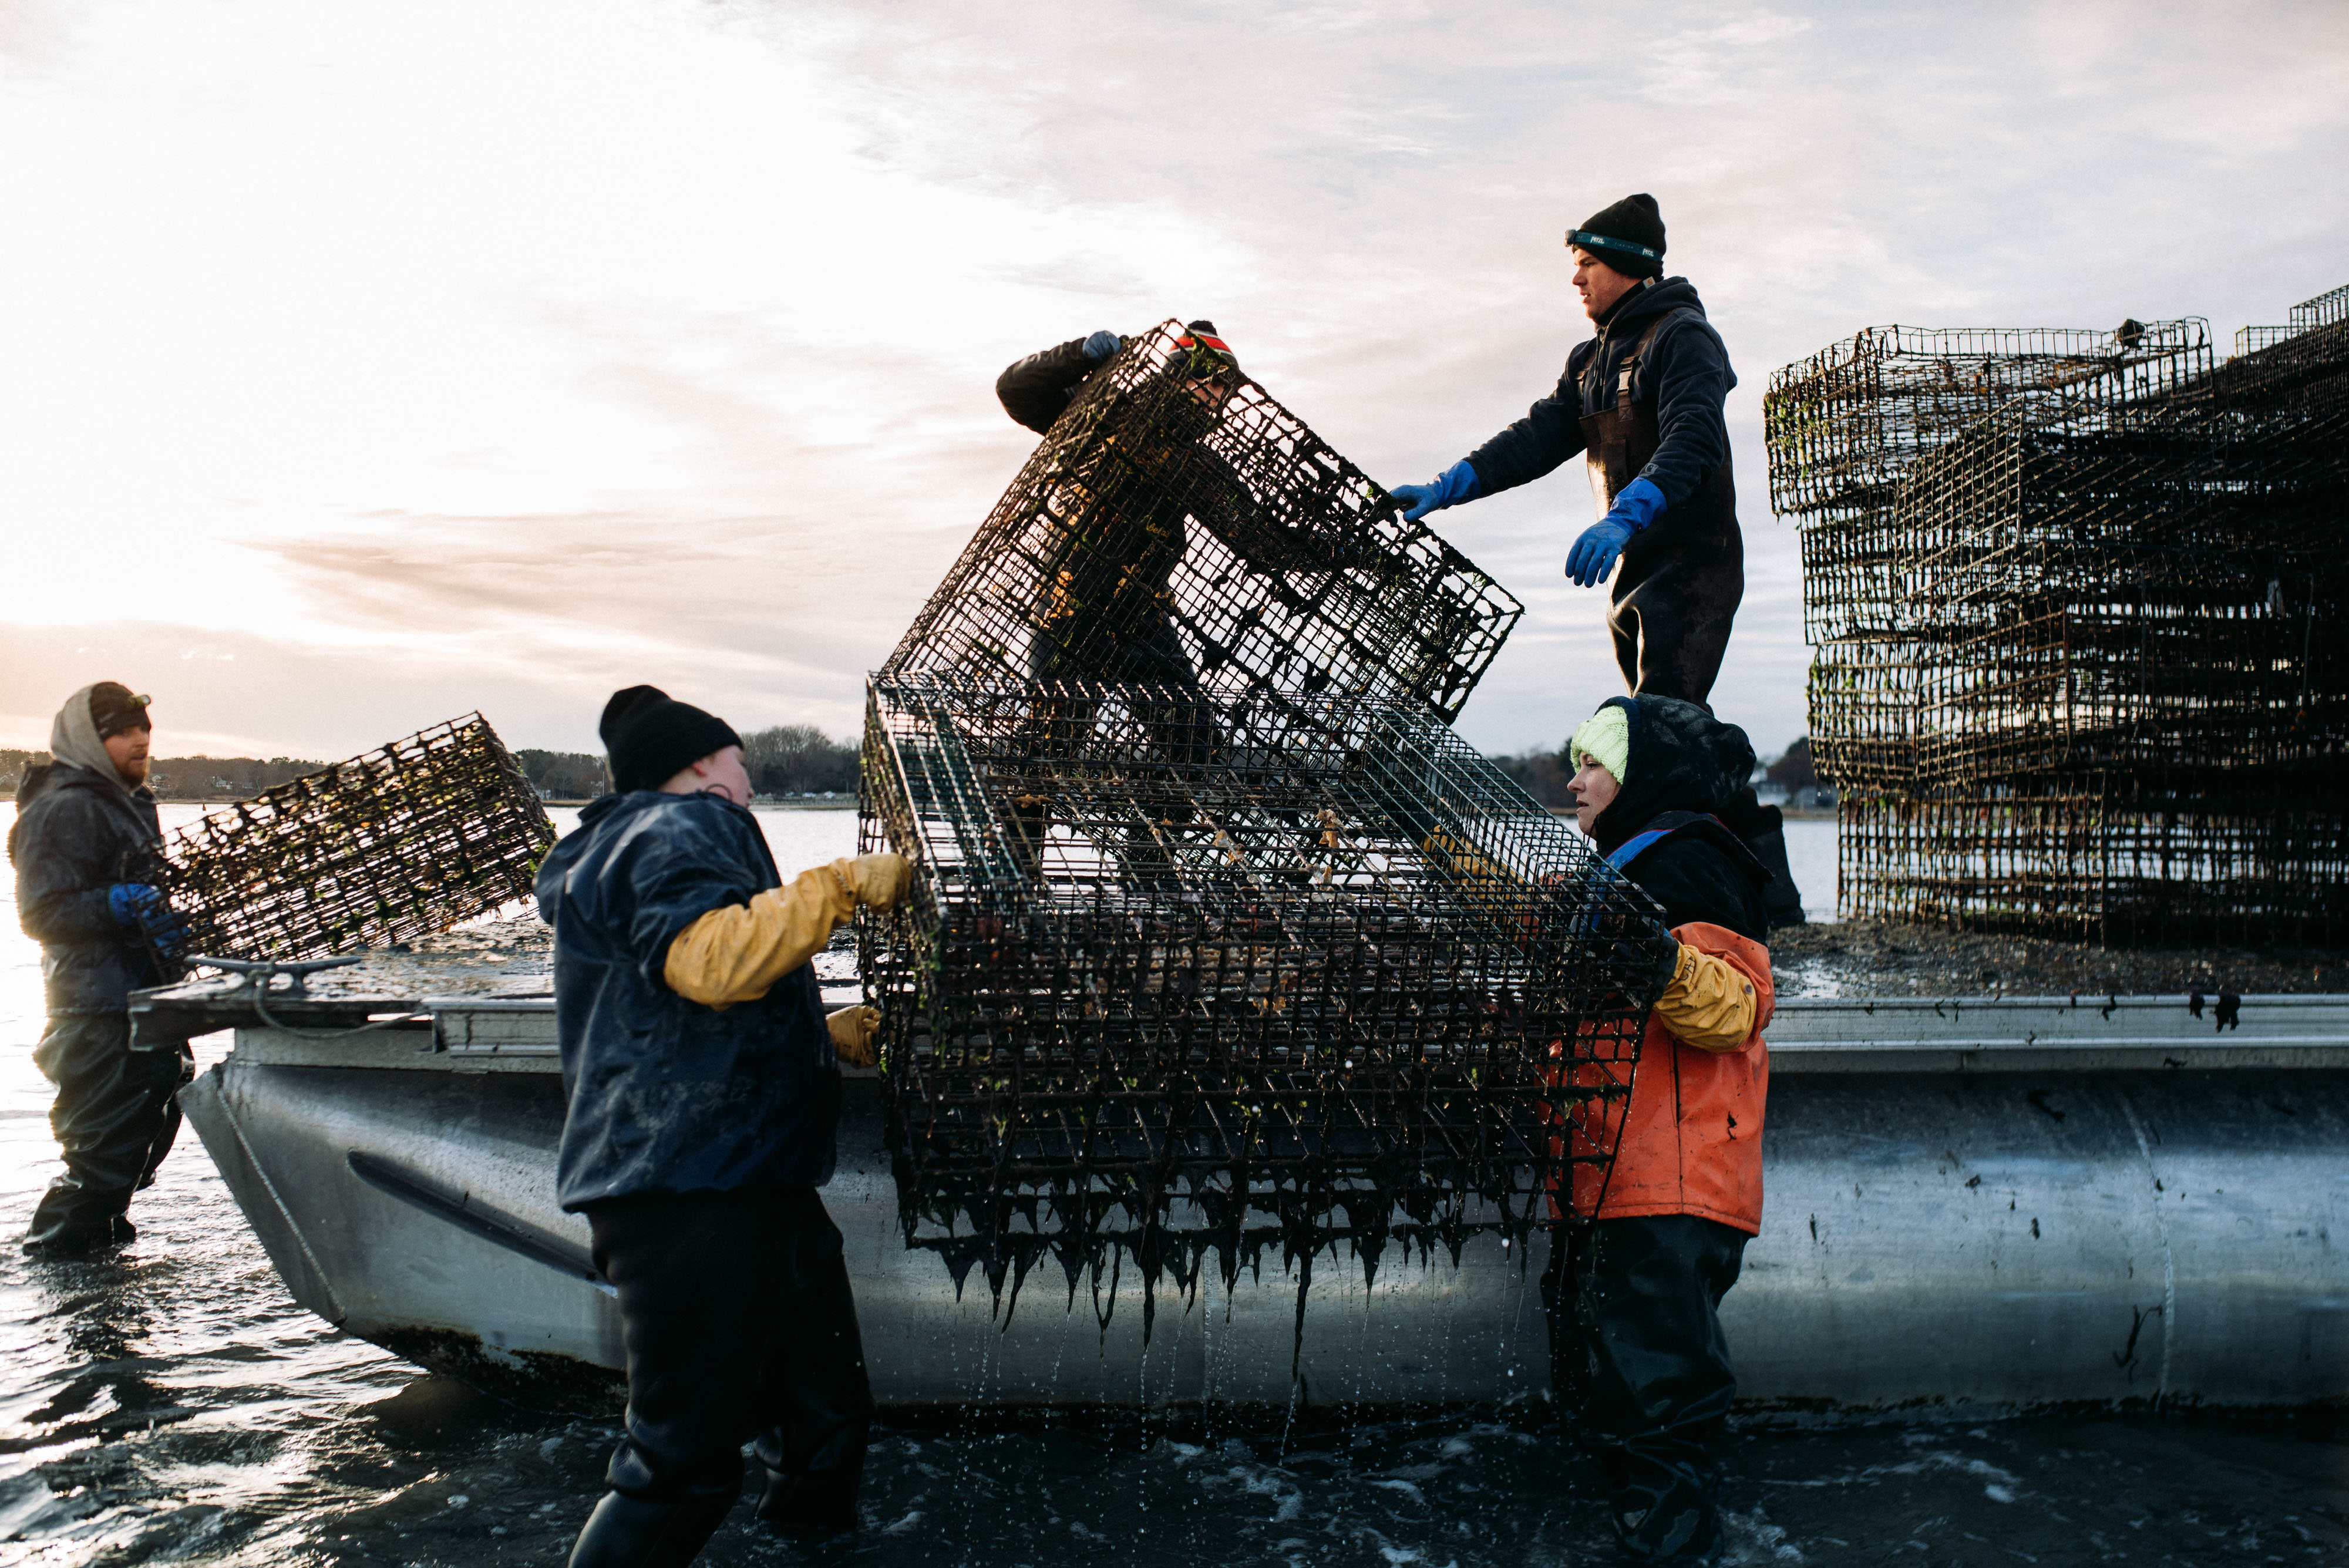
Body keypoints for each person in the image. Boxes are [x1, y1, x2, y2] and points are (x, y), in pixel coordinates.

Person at [539, 685, 911, 1566]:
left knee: (824, 1423)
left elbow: (669, 1023)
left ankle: (802, 1548)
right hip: (686, 1196)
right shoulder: (673, 826)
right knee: (684, 1462)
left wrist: (819, 1042)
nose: (749, 781)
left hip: (749, 1183)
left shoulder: (626, 846)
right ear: (704, 760)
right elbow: (708, 962)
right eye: (742, 761)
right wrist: (841, 886)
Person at [1387, 193, 1802, 926]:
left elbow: (1692, 436)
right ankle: (1768, 894)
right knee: (1675, 726)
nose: (1575, 280)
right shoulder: (1590, 360)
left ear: (1629, 267)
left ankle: (1683, 897)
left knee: (1659, 726)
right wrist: (1448, 487)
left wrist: (1628, 513)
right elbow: (1537, 437)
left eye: (1586, 265)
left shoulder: (1685, 339)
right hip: (1631, 567)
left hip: (1693, 561)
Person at [994, 321, 1358, 878]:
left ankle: (1147, 872)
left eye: (1228, 393)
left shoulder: (1193, 461)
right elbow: (1015, 390)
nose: (1220, 403)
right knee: (1043, 762)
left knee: (1194, 750)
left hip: (1143, 617)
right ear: (1180, 376)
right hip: (1071, 611)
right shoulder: (1099, 413)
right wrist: (1076, 356)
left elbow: (1261, 539)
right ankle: (1013, 891)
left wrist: (1354, 546)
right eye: (1214, 387)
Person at [1547, 694, 1773, 1564]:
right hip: (1615, 1183)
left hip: (1670, 1194)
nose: (1575, 779)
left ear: (1642, 773)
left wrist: (1657, 957)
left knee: (1657, 1408)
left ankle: (1676, 1552)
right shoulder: (1617, 869)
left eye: (1595, 762)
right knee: (1612, 1397)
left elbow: (1737, 1005)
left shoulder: (1695, 860)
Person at [8, 682, 193, 1256]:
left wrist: (166, 925)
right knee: (101, 1161)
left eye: (145, 729)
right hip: (93, 1011)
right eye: (124, 731)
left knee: (143, 1139)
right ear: (91, 739)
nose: (141, 740)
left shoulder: (128, 803)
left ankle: (101, 1269)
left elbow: (144, 892)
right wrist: (117, 905)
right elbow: (40, 913)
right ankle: (58, 1270)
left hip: (141, 999)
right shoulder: (64, 808)